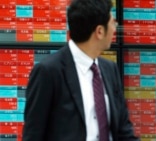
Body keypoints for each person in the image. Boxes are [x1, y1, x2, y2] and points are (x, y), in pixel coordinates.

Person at [22, 0, 139, 141]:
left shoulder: (110, 69)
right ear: (99, 32)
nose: (115, 28)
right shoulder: (49, 71)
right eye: (113, 23)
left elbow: (123, 130)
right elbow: (33, 134)